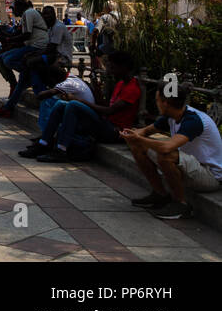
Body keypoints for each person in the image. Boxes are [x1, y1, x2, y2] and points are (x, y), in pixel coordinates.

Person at [121, 84, 222, 220]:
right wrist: (130, 134)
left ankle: (181, 205)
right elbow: (144, 131)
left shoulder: (193, 120)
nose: (156, 104)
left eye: (157, 100)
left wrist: (139, 138)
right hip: (193, 168)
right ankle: (160, 195)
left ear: (165, 103)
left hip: (210, 176)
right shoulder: (172, 115)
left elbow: (166, 147)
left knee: (166, 155)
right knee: (138, 147)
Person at [22, 51, 141, 161]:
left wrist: (79, 100)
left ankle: (61, 150)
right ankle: (44, 143)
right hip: (105, 123)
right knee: (60, 104)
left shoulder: (132, 88)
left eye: (112, 67)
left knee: (73, 104)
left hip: (114, 131)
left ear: (124, 67)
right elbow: (105, 106)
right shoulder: (120, 84)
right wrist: (96, 90)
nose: (109, 70)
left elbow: (109, 111)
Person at [0, 0, 49, 118]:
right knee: (19, 80)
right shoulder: (27, 14)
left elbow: (27, 35)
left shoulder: (28, 13)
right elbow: (19, 33)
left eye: (14, 8)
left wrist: (9, 39)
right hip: (33, 45)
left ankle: (27, 71)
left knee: (7, 59)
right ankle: (8, 107)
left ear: (20, 6)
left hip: (36, 46)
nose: (13, 11)